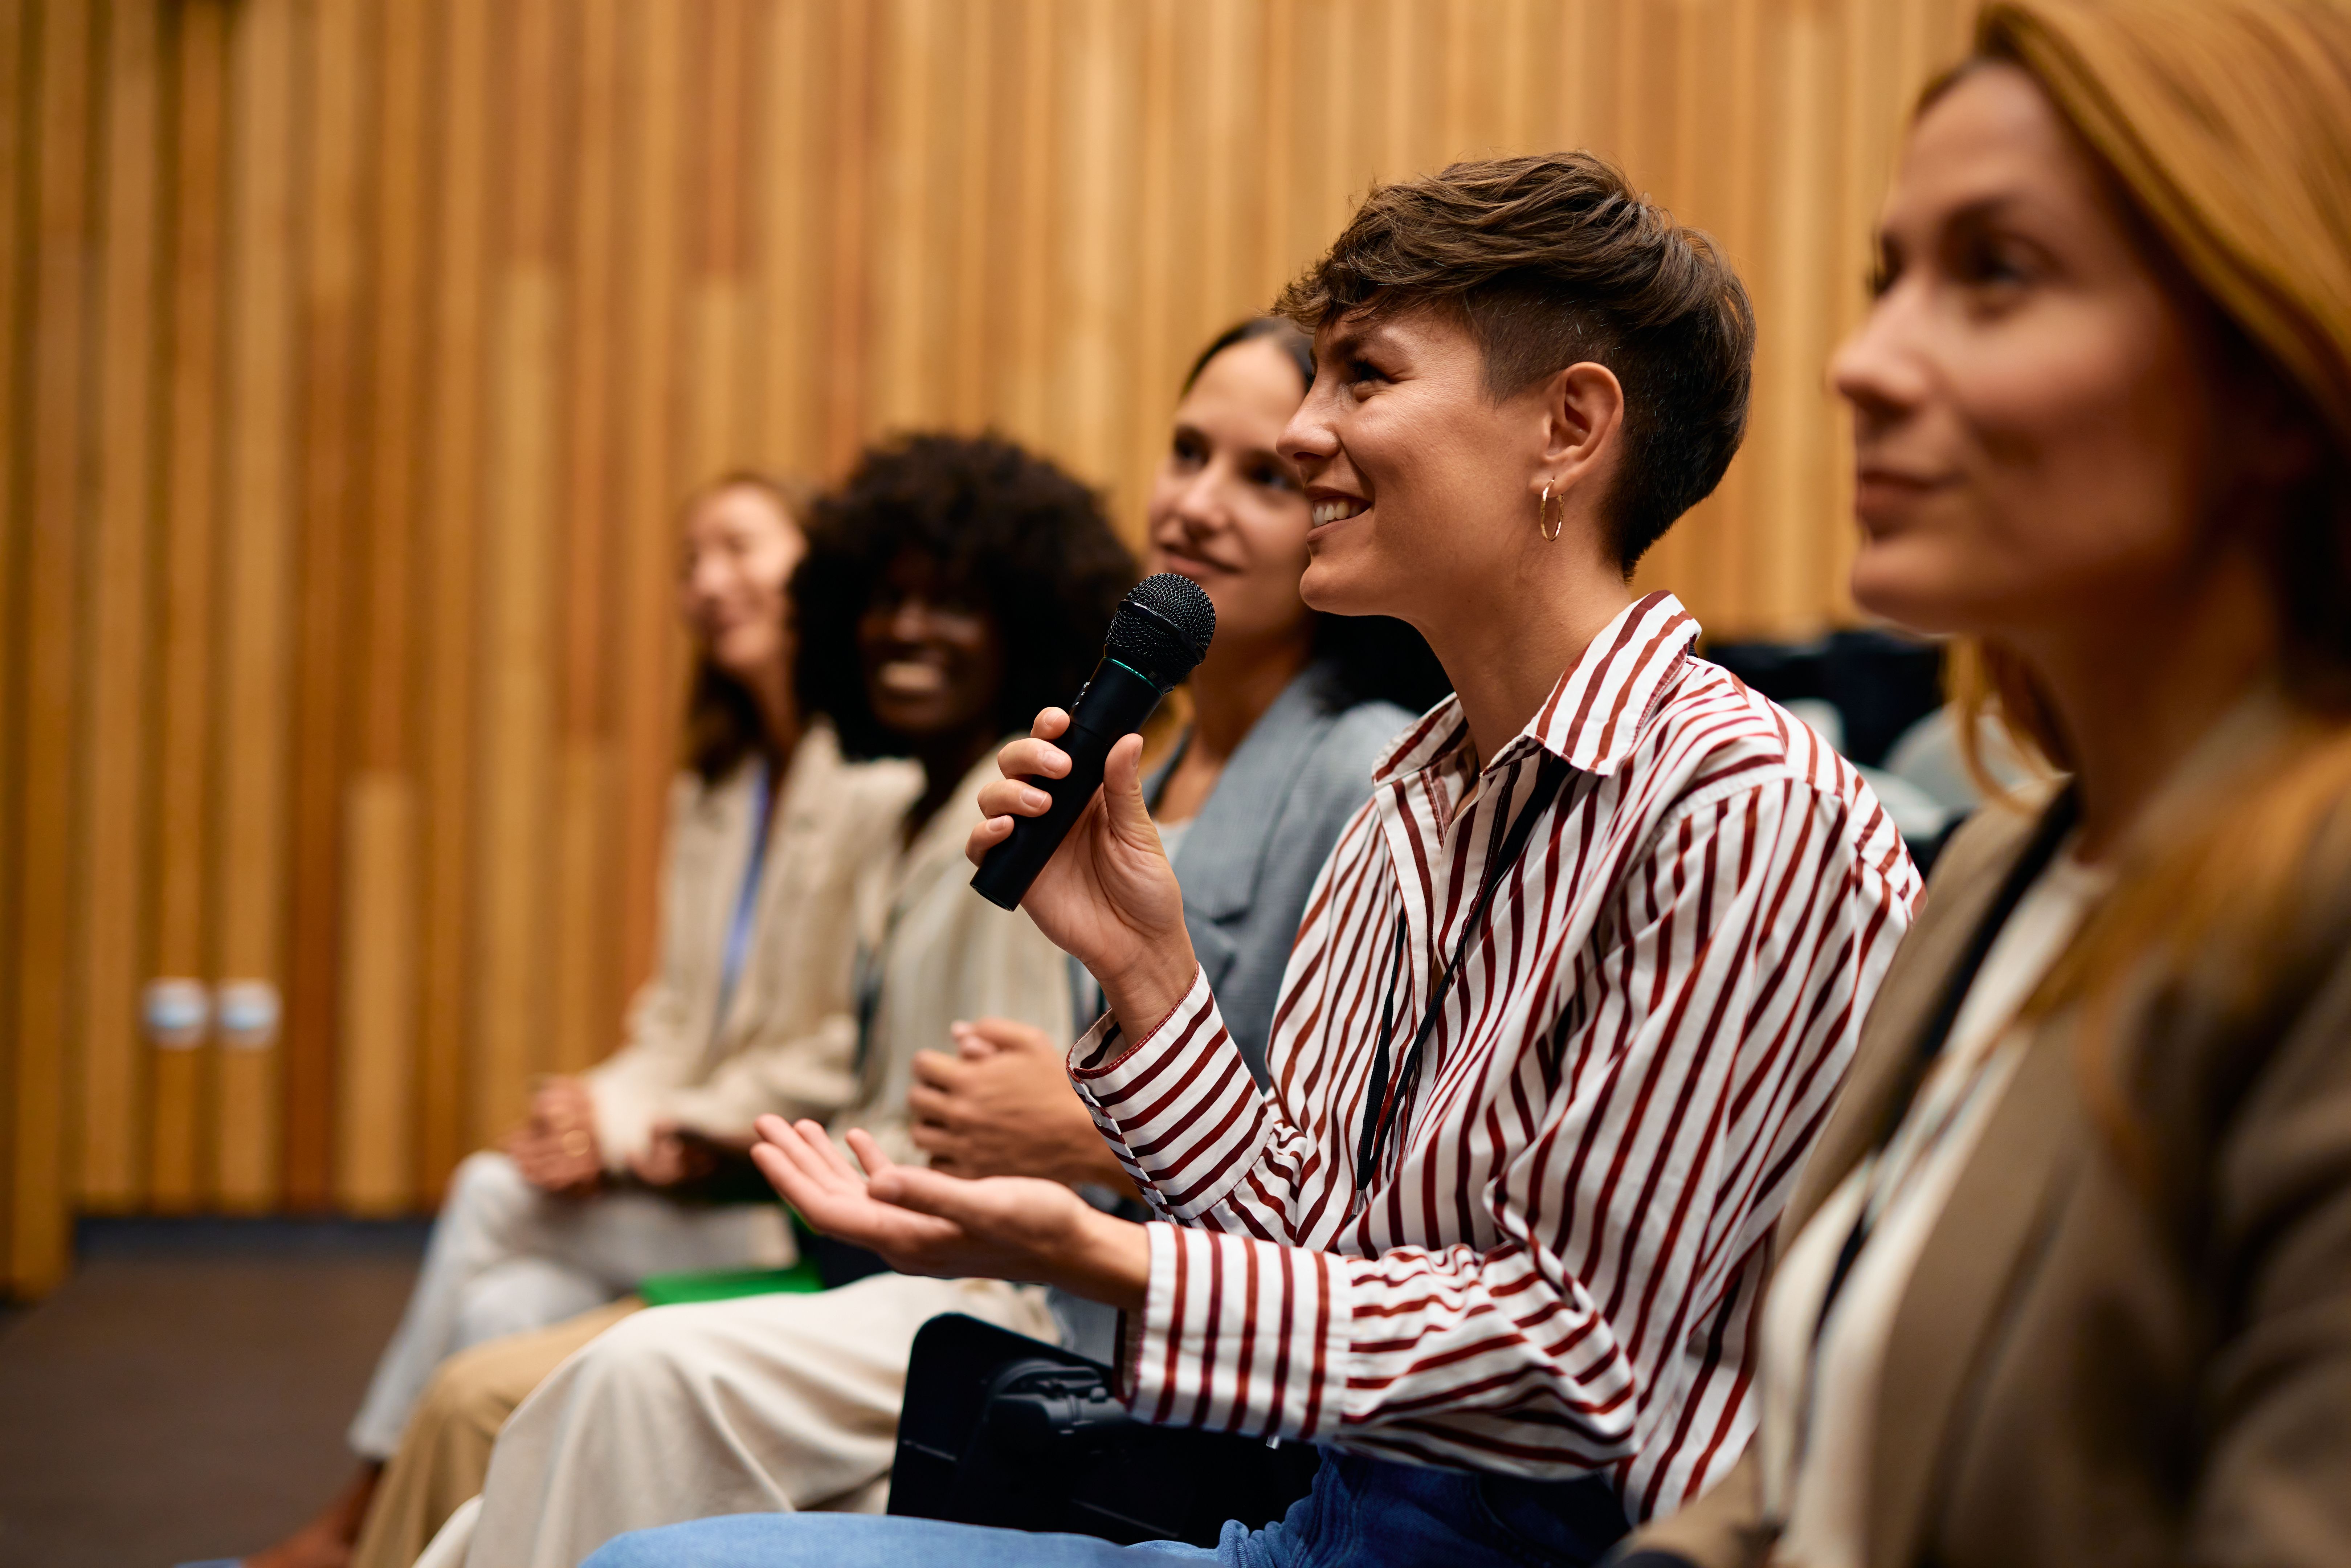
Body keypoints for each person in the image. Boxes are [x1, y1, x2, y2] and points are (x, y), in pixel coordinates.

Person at [656, 149, 1923, 1568]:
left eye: (1364, 379)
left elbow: (1574, 1370)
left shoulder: (1744, 812)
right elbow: (1317, 1239)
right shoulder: (1414, 801)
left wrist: (1101, 1254)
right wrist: (1148, 971)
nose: (1305, 434)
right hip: (1324, 1529)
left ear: (1569, 427)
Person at [416, 323, 1445, 1568]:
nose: (1197, 506)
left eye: (1265, 478)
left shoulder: (1364, 766)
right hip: (1014, 1274)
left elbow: (1368, 1171)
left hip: (1142, 1340)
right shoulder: (1150, 753)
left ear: (1337, 508)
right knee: (509, 1477)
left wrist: (1076, 1131)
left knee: (631, 1386)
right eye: (1186, 454)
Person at [1615, 3, 2351, 1565]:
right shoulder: (1995, 874)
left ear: (2278, 370)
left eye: (1996, 276)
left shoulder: (2324, 922)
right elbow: (1801, 1473)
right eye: (1889, 282)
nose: (1863, 364)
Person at [239, 475, 919, 1568]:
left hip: (766, 1197)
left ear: (814, 573)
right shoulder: (718, 784)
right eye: (691, 562)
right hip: (671, 1161)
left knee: (487, 1191)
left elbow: (837, 1051)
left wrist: (618, 1139)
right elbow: (674, 1021)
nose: (709, 581)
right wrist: (591, 1108)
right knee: (506, 1301)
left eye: (740, 547)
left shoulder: (879, 784)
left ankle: (357, 1520)